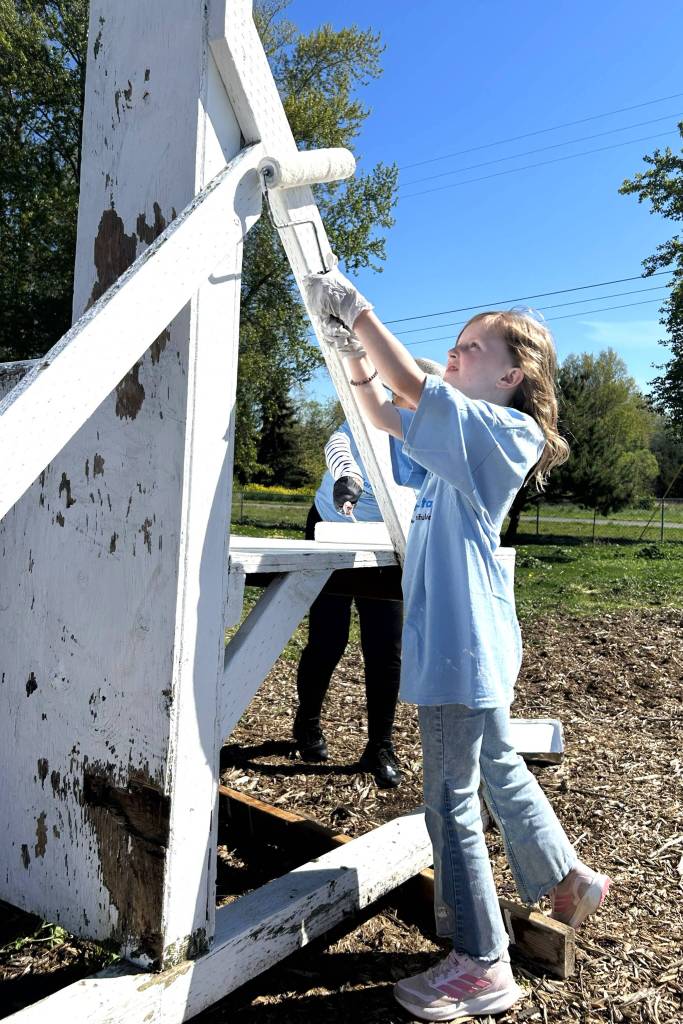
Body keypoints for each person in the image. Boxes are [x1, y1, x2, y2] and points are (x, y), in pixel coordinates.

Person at [303, 268, 611, 1022]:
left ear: (512, 374)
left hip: (461, 650)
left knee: (448, 800)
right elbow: (379, 406)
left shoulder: (506, 431)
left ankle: (480, 962)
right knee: (498, 768)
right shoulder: (460, 440)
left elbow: (407, 382)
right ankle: (567, 881)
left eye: (470, 348)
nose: (453, 353)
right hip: (469, 644)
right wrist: (350, 352)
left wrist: (360, 311)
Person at [294, 356, 444, 790]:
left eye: (421, 398)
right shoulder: (373, 412)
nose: (411, 405)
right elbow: (341, 445)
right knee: (328, 637)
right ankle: (307, 721)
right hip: (332, 530)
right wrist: (347, 479)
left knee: (386, 647)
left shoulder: (437, 434)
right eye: (406, 394)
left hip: (391, 540)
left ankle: (379, 746)